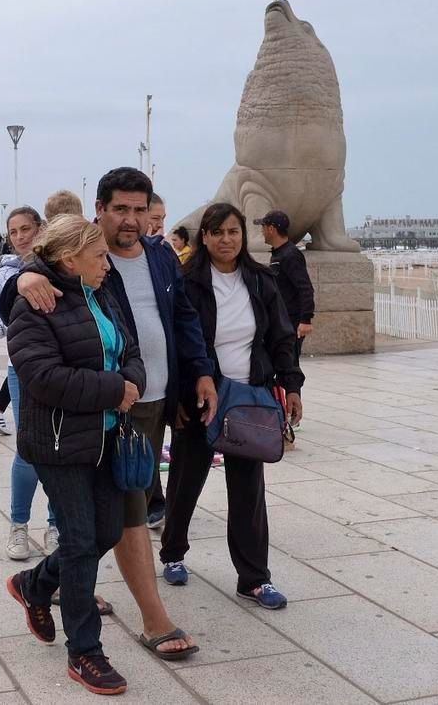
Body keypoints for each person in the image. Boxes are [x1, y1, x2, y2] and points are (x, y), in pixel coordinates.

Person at [3, 168, 211, 658]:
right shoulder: (84, 262)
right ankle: (149, 620)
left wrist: (197, 371)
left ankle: (42, 582)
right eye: (121, 208)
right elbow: (34, 284)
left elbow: (180, 317)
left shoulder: (160, 256)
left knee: (109, 522)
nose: (132, 219)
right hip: (103, 407)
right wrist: (23, 277)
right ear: (99, 209)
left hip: (154, 394)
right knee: (122, 515)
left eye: (141, 209)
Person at [4, 215, 146, 697]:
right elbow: (42, 376)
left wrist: (132, 381)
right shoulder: (35, 303)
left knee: (106, 530)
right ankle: (85, 651)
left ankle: (35, 584)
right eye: (99, 255)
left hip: (106, 436)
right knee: (82, 540)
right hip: (59, 442)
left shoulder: (100, 290)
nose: (107, 263)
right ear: (69, 258)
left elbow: (130, 348)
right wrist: (115, 389)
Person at [161, 203, 304, 610]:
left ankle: (254, 578)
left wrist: (290, 384)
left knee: (248, 491)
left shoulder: (261, 280)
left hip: (248, 398)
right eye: (218, 232)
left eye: (234, 232)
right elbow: (175, 345)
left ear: (244, 236)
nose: (226, 239)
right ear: (204, 236)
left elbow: (281, 336)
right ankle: (173, 552)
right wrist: (175, 399)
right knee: (186, 482)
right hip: (199, 398)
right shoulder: (187, 282)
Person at [0, 207, 56, 558]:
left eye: (26, 229)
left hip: (60, 367)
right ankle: (19, 525)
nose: (20, 237)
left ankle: (56, 525)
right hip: (22, 367)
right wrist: (22, 319)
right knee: (27, 448)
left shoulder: (59, 264)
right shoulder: (4, 274)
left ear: (40, 229)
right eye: (13, 232)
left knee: (61, 447)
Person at [256, 210, 315, 364]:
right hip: (281, 321)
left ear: (271, 229)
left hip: (291, 323)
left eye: (263, 227)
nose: (261, 231)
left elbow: (305, 288)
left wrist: (305, 320)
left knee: (289, 366)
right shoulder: (278, 254)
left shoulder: (290, 255)